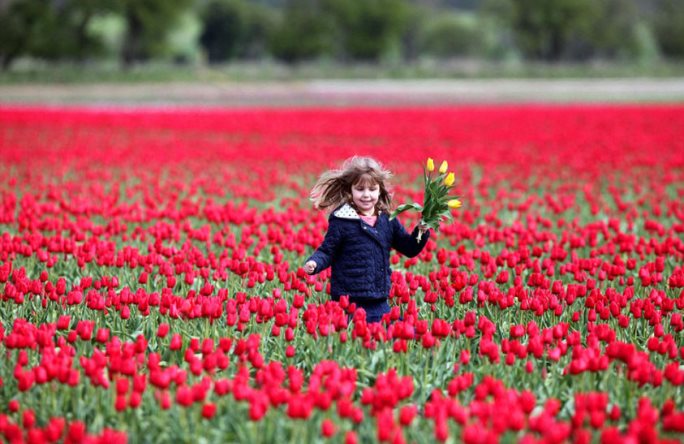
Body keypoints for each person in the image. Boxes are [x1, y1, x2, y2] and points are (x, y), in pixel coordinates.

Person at [303, 156, 430, 323]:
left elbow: (409, 247)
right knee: (354, 338)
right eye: (360, 189)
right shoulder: (342, 220)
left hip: (378, 300)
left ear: (380, 191)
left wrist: (421, 231)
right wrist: (315, 263)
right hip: (348, 301)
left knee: (396, 334)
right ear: (350, 191)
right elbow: (327, 250)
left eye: (372, 189)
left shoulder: (387, 220)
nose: (366, 195)